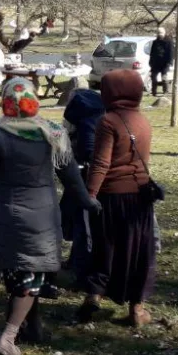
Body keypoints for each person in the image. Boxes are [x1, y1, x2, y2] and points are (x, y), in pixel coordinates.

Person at [0, 78, 100, 355]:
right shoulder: (53, 133)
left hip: (7, 214)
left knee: (21, 274)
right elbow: (71, 177)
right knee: (29, 277)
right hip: (41, 218)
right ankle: (7, 339)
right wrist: (88, 202)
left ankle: (32, 327)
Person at [80, 70, 158, 327]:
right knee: (138, 251)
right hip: (140, 197)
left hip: (112, 196)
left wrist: (89, 193)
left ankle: (93, 296)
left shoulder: (109, 121)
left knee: (106, 247)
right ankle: (137, 308)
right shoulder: (144, 121)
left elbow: (101, 162)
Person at [62, 89, 106, 292]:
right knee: (83, 222)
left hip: (84, 173)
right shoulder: (100, 112)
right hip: (93, 172)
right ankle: (76, 263)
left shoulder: (81, 116)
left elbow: (74, 143)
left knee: (83, 223)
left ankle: (81, 271)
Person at [148, 27, 174, 97]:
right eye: (158, 33)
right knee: (153, 77)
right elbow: (152, 53)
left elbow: (171, 53)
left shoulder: (169, 42)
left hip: (165, 63)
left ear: (164, 33)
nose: (160, 34)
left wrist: (170, 62)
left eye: (161, 33)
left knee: (164, 77)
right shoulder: (155, 42)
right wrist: (150, 62)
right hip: (156, 63)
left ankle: (165, 92)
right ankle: (154, 92)